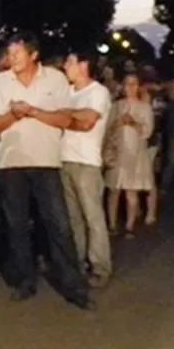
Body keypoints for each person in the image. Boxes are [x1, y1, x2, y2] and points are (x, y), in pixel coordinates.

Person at [0, 32, 92, 309]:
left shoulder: (55, 79)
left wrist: (32, 111)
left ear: (33, 55)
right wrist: (15, 115)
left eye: (17, 53)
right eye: (9, 54)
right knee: (17, 225)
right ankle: (24, 281)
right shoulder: (1, 81)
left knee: (58, 222)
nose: (12, 59)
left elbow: (65, 118)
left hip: (46, 161)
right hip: (11, 162)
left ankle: (73, 285)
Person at [61, 52, 113, 287]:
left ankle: (100, 266)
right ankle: (78, 261)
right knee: (74, 218)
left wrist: (62, 116)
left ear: (83, 65)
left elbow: (88, 120)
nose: (65, 66)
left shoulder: (98, 92)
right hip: (64, 159)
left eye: (70, 62)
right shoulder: (67, 92)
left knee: (92, 217)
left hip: (87, 162)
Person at [105, 74, 156, 236]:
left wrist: (133, 122)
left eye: (134, 84)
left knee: (131, 191)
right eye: (127, 84)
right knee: (114, 190)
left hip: (135, 153)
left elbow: (147, 131)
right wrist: (116, 124)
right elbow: (107, 130)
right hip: (118, 152)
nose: (130, 88)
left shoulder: (145, 107)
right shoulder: (116, 106)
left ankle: (129, 225)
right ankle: (112, 224)